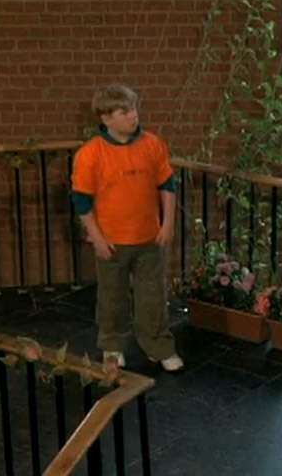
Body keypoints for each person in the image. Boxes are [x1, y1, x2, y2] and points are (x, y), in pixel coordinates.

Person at [71, 83, 184, 372]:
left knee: (153, 298)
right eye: (125, 111)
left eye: (133, 109)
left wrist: (168, 223)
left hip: (150, 239)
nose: (133, 116)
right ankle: (112, 347)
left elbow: (167, 185)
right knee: (112, 299)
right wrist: (97, 238)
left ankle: (159, 347)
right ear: (106, 118)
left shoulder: (153, 145)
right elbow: (82, 201)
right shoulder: (90, 154)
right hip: (112, 242)